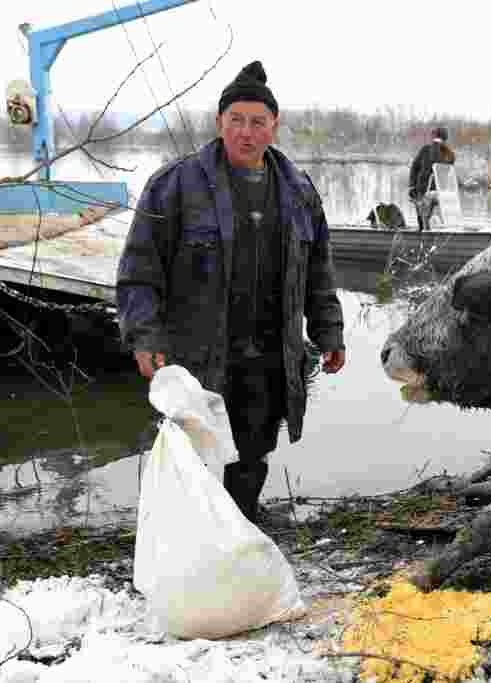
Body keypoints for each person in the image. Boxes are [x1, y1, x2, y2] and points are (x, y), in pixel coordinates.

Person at [116, 60, 346, 523]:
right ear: (219, 123)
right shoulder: (175, 184)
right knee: (192, 447)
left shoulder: (300, 190)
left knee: (254, 448)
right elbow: (140, 269)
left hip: (268, 354)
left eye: (257, 122)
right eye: (235, 120)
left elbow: (318, 270)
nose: (246, 132)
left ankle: (242, 525)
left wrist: (330, 332)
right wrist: (144, 336)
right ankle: (189, 535)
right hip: (198, 351)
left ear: (274, 126)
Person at [408, 125, 456, 231]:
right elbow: (414, 168)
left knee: (434, 220)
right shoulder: (425, 150)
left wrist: (436, 145)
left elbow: (436, 160)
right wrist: (411, 186)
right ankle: (421, 238)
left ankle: (431, 237)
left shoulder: (449, 154)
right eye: (434, 138)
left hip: (438, 192)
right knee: (421, 219)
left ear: (444, 140)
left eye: (438, 138)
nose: (435, 141)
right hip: (421, 190)